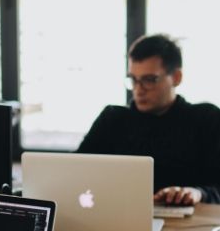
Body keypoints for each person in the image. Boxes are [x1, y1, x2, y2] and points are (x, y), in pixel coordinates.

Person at [76, 33, 220, 205]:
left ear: (176, 77)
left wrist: (197, 193)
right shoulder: (112, 119)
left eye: (149, 80)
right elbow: (76, 171)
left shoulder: (206, 119)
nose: (138, 90)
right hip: (120, 220)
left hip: (188, 226)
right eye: (134, 80)